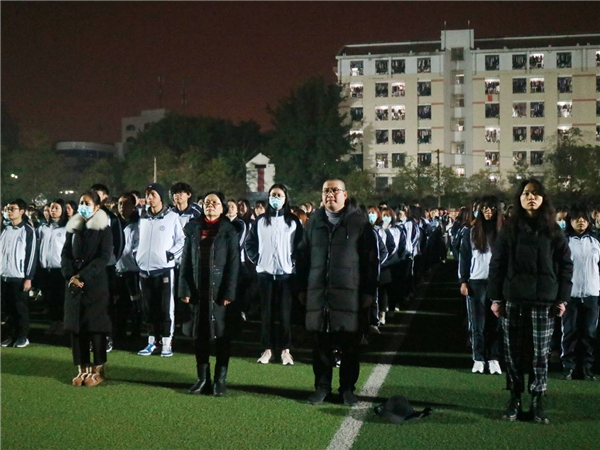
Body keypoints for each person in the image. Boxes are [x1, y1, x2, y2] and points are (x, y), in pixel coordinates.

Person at [488, 179, 573, 424]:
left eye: (535, 193)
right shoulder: (509, 229)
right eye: (526, 193)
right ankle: (514, 397)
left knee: (540, 354)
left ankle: (537, 399)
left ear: (543, 198)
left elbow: (566, 266)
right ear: (520, 198)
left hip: (544, 301)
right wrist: (496, 298)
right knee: (512, 353)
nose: (531, 197)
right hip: (513, 300)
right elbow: (497, 265)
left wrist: (562, 298)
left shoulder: (554, 230)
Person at [297, 179, 378, 406]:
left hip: (350, 295)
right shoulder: (313, 222)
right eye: (326, 191)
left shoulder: (359, 223)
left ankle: (347, 389)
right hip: (319, 294)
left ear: (345, 195)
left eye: (335, 190)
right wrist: (301, 288)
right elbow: (302, 258)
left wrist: (368, 292)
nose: (330, 194)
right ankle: (322, 387)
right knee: (321, 345)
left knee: (350, 345)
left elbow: (371, 261)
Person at [179, 191, 240, 396]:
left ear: (223, 207)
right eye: (207, 202)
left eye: (215, 202)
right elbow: (185, 261)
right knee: (200, 335)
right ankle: (202, 379)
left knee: (222, 336)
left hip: (219, 290)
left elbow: (234, 264)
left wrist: (229, 293)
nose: (210, 205)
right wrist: (185, 289)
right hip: (198, 289)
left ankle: (220, 380)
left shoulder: (229, 231)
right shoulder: (193, 229)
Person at [246, 184, 302, 365]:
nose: (275, 198)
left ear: (285, 198)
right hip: (265, 274)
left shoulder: (293, 221)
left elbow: (300, 245)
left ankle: (286, 350)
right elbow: (249, 243)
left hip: (286, 275)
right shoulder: (261, 220)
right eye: (272, 195)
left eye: (279, 195)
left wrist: (293, 261)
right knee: (267, 315)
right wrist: (258, 260)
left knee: (285, 314)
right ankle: (267, 349)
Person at [61, 191, 113, 386]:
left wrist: (83, 276)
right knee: (77, 327)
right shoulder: (73, 227)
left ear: (97, 207)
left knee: (95, 327)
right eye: (81, 202)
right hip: (74, 285)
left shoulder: (104, 229)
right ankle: (82, 368)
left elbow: (104, 257)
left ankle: (98, 368)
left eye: (87, 203)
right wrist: (71, 276)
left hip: (95, 284)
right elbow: (65, 254)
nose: (82, 206)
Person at [136, 183, 185, 357]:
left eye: (153, 195)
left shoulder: (172, 217)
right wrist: (137, 254)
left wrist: (170, 255)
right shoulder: (142, 217)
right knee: (148, 308)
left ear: (161, 197)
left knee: (165, 308)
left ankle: (166, 342)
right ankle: (151, 341)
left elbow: (182, 240)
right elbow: (137, 239)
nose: (149, 198)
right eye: (147, 195)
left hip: (164, 270)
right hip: (144, 270)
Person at [459, 196, 504, 375]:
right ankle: (478, 358)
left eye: (492, 208)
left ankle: (494, 358)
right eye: (485, 208)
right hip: (476, 282)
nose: (488, 211)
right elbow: (464, 257)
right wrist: (463, 280)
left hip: (496, 282)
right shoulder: (471, 232)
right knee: (477, 323)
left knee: (496, 323)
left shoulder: (504, 232)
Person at [561, 204, 600, 381]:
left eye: (584, 218)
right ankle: (568, 367)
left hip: (592, 293)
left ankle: (586, 367)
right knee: (569, 331)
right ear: (570, 221)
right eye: (577, 218)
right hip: (570, 294)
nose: (581, 221)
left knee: (589, 332)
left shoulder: (596, 240)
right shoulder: (564, 241)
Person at [90, 183, 124, 351]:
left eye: (98, 194)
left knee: (106, 304)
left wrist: (110, 260)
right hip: (88, 268)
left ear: (105, 197)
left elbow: (119, 242)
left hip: (105, 268)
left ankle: (107, 337)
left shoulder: (111, 218)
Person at [1, 199, 37, 348]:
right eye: (8, 209)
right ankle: (11, 335)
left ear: (22, 211)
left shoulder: (28, 230)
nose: (9, 212)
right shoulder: (5, 230)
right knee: (8, 308)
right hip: (4, 275)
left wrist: (28, 277)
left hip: (19, 276)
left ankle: (23, 336)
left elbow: (31, 255)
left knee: (20, 308)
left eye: (13, 209)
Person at [37, 199, 69, 336]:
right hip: (45, 270)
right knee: (49, 299)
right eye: (51, 208)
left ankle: (62, 324)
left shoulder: (66, 228)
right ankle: (53, 322)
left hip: (59, 270)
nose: (53, 210)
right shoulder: (43, 228)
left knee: (60, 299)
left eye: (56, 208)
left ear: (62, 210)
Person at [115, 193, 141, 339]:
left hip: (133, 271)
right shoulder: (115, 223)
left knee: (135, 303)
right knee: (120, 303)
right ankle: (120, 330)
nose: (122, 207)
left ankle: (136, 331)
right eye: (120, 204)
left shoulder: (139, 224)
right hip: (118, 269)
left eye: (126, 204)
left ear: (133, 207)